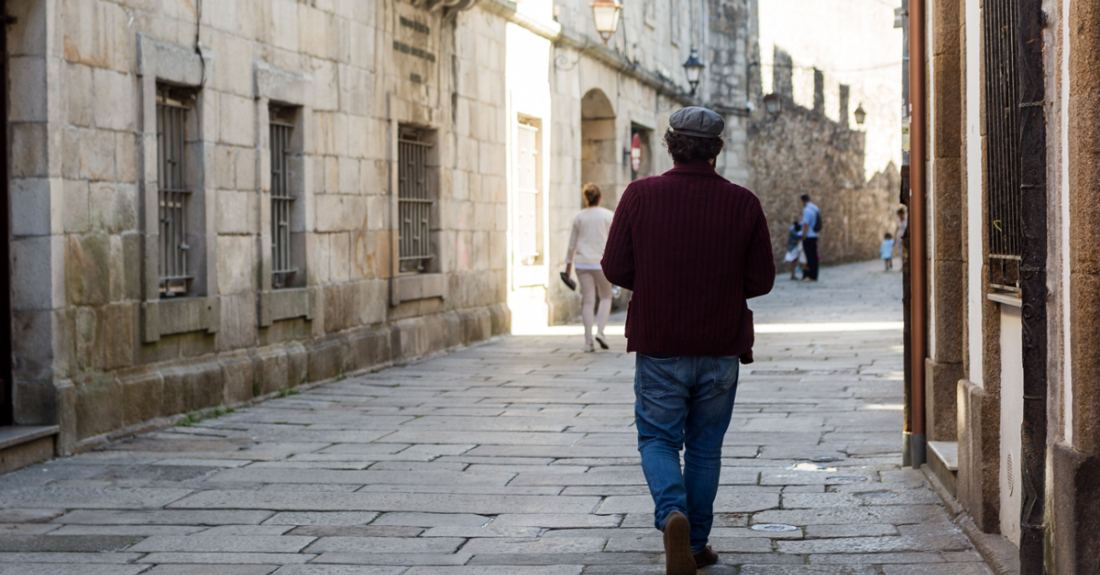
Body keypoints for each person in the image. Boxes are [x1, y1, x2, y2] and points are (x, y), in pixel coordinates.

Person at [602, 106, 775, 575]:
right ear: (718, 149)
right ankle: (695, 544)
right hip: (721, 345)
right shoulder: (743, 202)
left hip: (660, 341)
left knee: (657, 438)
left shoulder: (640, 195)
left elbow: (615, 268)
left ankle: (671, 515)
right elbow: (761, 279)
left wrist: (658, 280)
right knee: (704, 447)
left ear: (669, 145)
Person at [565, 183, 615, 352]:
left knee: (588, 301)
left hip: (582, 262)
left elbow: (572, 244)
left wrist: (568, 266)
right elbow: (614, 242)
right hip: (602, 262)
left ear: (586, 199)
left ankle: (588, 342)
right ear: (600, 198)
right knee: (606, 297)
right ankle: (600, 332)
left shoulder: (579, 217)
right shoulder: (608, 215)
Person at [798, 194, 821, 282]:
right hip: (815, 235)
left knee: (809, 256)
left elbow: (806, 224)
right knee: (814, 256)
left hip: (809, 236)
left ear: (803, 201)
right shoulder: (815, 208)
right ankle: (814, 275)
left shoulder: (807, 210)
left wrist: (803, 236)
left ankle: (810, 276)